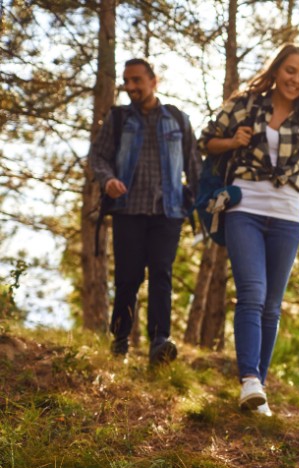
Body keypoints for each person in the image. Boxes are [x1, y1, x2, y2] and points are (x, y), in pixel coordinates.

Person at [199, 44, 299, 416]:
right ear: (277, 69)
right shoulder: (247, 104)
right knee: (252, 293)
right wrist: (232, 141)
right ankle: (249, 379)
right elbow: (206, 140)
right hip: (245, 207)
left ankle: (259, 393)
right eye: (290, 71)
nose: (296, 80)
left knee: (272, 304)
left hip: (287, 213)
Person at [88, 58, 200, 366]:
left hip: (169, 212)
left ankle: (159, 343)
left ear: (154, 81)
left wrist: (195, 202)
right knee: (128, 277)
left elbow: (194, 166)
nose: (132, 87)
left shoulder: (178, 118)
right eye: (127, 81)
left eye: (137, 80)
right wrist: (108, 179)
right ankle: (120, 341)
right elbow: (98, 156)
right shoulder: (119, 119)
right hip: (129, 210)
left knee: (161, 274)